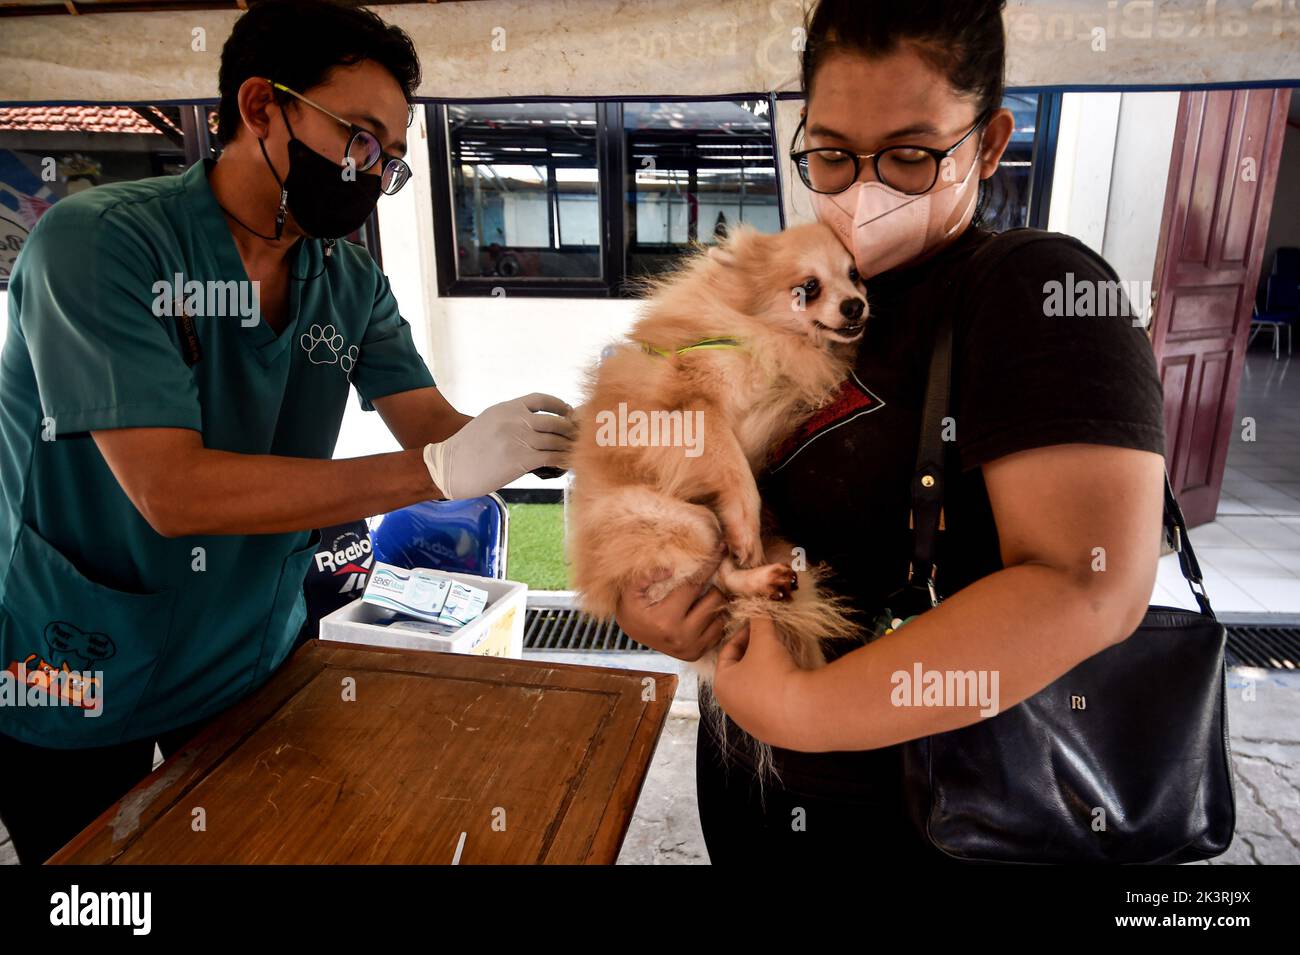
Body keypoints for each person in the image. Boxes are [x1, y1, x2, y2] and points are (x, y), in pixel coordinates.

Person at [0, 0, 573, 864]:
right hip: (76, 667)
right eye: (361, 140)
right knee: (104, 892)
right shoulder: (101, 246)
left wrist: (573, 442)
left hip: (244, 658)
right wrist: (442, 466)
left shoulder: (346, 279)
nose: (374, 174)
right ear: (262, 106)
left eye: (392, 161)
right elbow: (175, 492)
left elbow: (437, 428)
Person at [615, 0, 1167, 864]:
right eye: (832, 154)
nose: (862, 188)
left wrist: (803, 711)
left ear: (987, 143)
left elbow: (1087, 583)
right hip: (759, 794)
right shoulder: (791, 290)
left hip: (934, 818)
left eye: (910, 156)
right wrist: (654, 588)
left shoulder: (1031, 291)